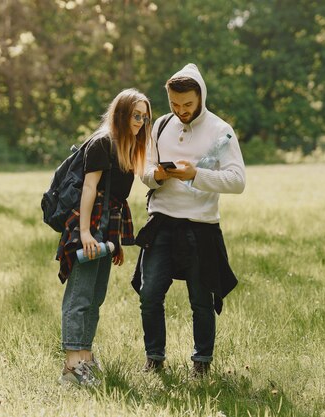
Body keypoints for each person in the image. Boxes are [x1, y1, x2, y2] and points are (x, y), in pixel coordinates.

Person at [133, 63, 246, 378]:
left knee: (201, 299)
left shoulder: (220, 130)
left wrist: (196, 174)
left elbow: (237, 181)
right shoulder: (160, 126)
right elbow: (145, 167)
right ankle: (154, 358)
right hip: (161, 222)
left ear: (201, 98)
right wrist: (155, 175)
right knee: (149, 292)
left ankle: (202, 363)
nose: (181, 110)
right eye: (174, 104)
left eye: (188, 105)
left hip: (201, 226)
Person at [56, 88, 152, 386]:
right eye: (136, 116)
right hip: (90, 222)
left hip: (107, 225)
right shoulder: (102, 142)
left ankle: (85, 357)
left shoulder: (126, 147)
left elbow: (114, 198)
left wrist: (117, 242)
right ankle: (72, 366)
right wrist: (85, 232)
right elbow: (89, 189)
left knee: (96, 296)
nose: (140, 122)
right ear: (122, 115)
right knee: (80, 295)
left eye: (145, 117)